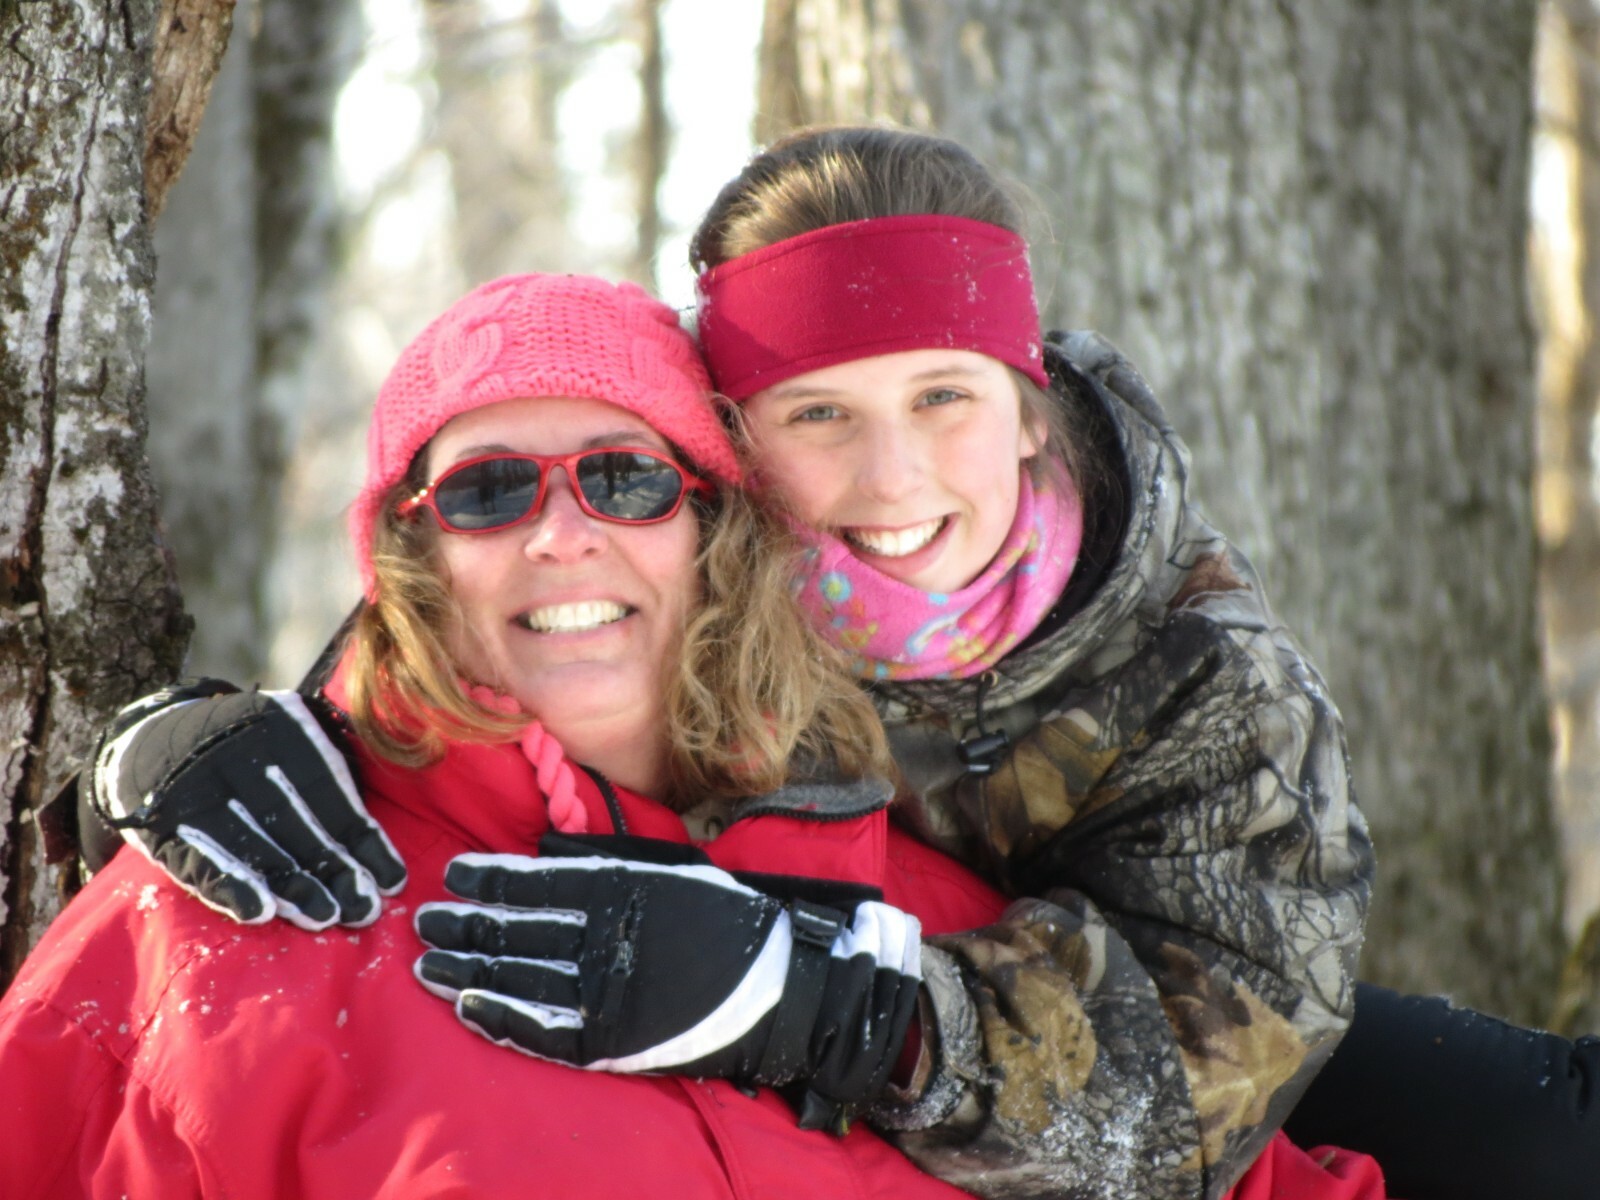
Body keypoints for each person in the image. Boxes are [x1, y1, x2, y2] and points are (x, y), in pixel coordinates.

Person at [69, 135, 1387, 1200]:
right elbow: (499, 591)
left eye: (945, 396)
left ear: (1028, 406)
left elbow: (1187, 1117)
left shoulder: (1202, 676)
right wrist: (189, 742)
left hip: (1176, 1030)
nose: (891, 476)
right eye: (821, 413)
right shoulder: (707, 578)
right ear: (735, 453)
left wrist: (826, 1009)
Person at [0, 273, 994, 1197]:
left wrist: (836, 1013)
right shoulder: (201, 941)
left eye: (625, 478)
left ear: (712, 528)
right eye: (488, 491)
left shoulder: (940, 941)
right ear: (414, 553)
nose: (562, 532)